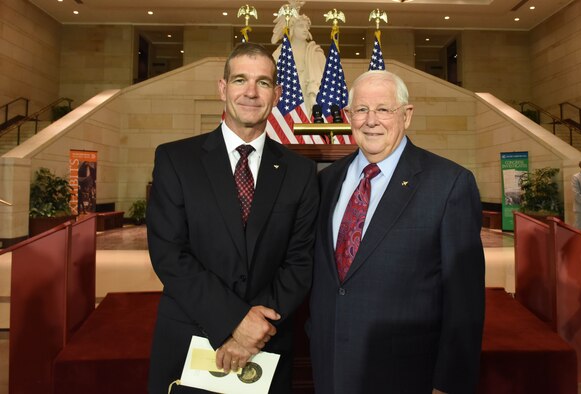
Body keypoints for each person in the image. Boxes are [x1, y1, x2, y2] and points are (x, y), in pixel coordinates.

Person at [146, 42, 319, 393]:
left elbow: (300, 261)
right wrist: (233, 322)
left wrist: (253, 331)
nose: (251, 92)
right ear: (223, 88)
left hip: (266, 342)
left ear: (277, 93)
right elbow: (169, 255)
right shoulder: (176, 160)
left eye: (263, 83)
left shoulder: (300, 172)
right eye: (240, 80)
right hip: (192, 336)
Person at [308, 70, 485, 394]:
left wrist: (449, 383)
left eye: (383, 109)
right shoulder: (326, 181)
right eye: (361, 110)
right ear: (348, 116)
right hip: (330, 367)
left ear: (406, 115)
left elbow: (465, 301)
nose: (371, 120)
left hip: (407, 375)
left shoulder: (449, 184)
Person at [272, 13, 325, 115]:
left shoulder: (315, 52)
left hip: (310, 97)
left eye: (307, 26)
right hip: (288, 99)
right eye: (301, 26)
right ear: (291, 28)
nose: (305, 29)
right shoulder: (280, 53)